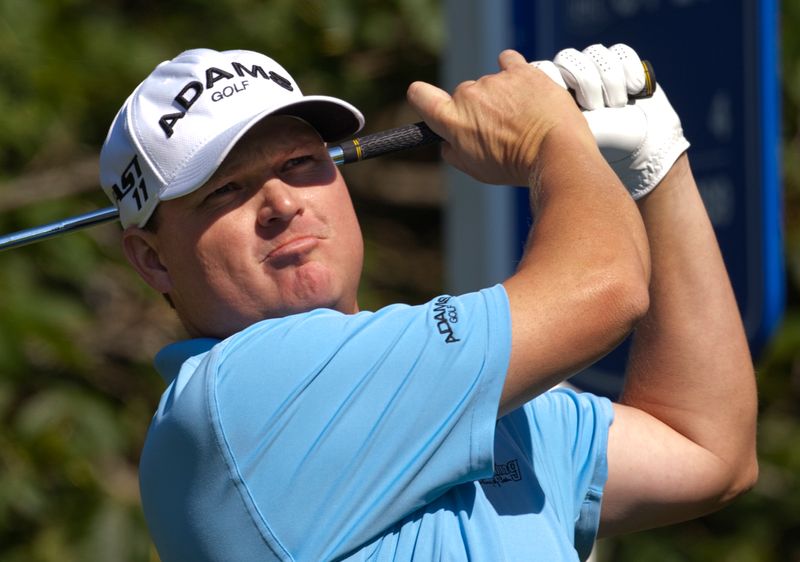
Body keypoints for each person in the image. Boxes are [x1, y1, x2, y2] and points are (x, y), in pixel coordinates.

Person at [99, 44, 757, 561]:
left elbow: (706, 451)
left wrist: (658, 165)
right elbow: (606, 288)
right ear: (152, 258)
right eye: (226, 190)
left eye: (301, 163)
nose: (282, 202)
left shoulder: (467, 406)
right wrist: (549, 142)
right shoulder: (234, 397)